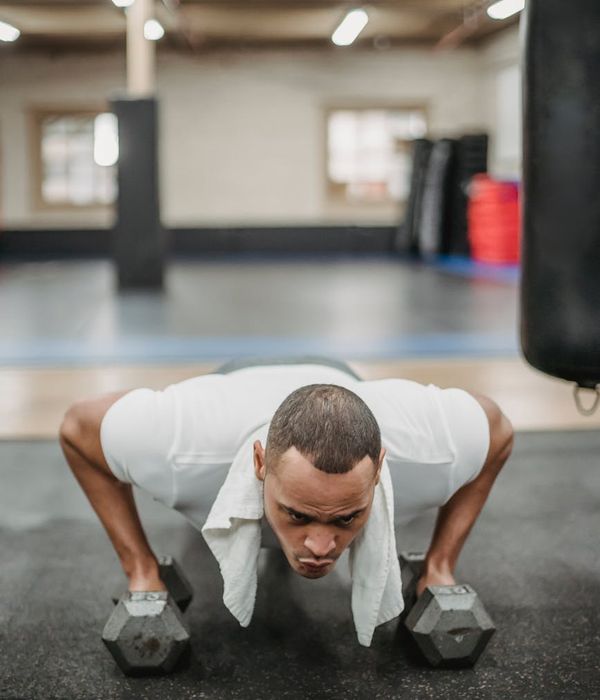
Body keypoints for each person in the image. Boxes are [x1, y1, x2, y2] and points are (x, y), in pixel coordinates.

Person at [59, 358, 513, 646]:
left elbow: (499, 431)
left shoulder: (432, 447)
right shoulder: (180, 445)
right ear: (260, 463)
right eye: (298, 515)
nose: (319, 546)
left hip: (341, 380)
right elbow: (78, 428)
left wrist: (440, 565)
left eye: (345, 518)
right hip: (232, 379)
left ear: (379, 468)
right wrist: (140, 568)